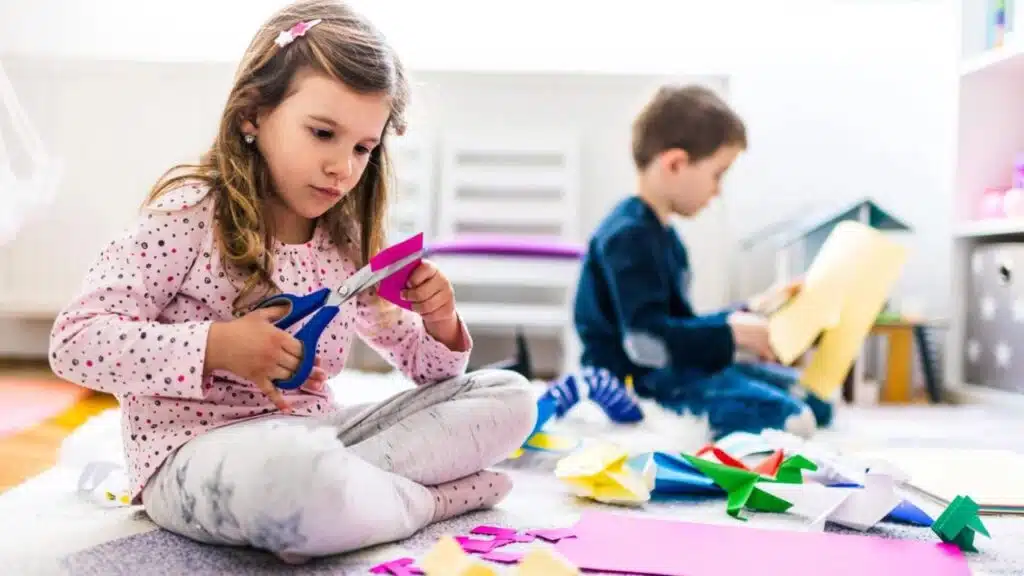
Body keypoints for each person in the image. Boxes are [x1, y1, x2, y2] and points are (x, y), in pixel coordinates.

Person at [48, 0, 535, 563]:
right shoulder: (187, 216)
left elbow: (433, 376)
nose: (343, 167)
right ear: (253, 114)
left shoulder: (345, 242)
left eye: (362, 147)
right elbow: (73, 343)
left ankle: (344, 503)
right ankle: (423, 502)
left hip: (317, 441)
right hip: (196, 456)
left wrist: (441, 321)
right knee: (296, 476)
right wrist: (218, 347)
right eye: (323, 133)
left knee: (510, 398)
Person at [570, 84, 833, 440]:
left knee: (815, 399)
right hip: (635, 381)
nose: (718, 190)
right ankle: (663, 418)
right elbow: (646, 345)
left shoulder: (665, 238)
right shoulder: (628, 236)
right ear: (676, 163)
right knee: (793, 419)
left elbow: (679, 325)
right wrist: (732, 333)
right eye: (717, 174)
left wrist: (752, 308)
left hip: (668, 368)